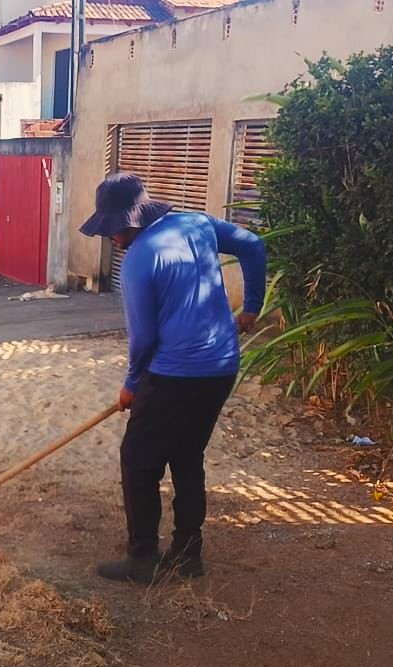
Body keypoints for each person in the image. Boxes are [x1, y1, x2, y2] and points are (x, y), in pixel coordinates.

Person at [81, 172, 265, 584]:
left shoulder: (138, 262)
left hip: (175, 374)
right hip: (221, 368)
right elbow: (254, 245)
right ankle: (187, 555)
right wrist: (251, 306)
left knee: (138, 460)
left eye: (116, 228)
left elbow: (143, 339)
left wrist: (131, 385)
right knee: (186, 457)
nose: (112, 237)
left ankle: (142, 557)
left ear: (136, 218)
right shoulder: (197, 223)